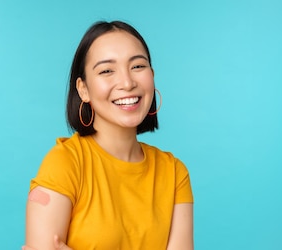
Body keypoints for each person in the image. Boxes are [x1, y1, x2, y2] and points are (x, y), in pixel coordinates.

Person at [24, 20, 194, 250]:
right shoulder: (64, 164)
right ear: (83, 89)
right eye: (106, 70)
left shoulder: (174, 173)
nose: (126, 82)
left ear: (152, 77)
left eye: (137, 66)